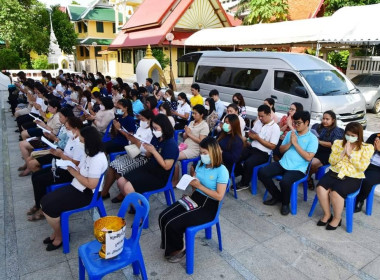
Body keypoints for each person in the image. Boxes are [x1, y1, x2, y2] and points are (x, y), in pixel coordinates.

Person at [158, 137, 229, 262]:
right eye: (201, 153)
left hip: (208, 206)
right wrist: (191, 190)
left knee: (173, 223)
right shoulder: (201, 164)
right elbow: (195, 182)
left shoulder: (221, 170)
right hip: (196, 197)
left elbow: (219, 196)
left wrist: (199, 186)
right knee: (163, 216)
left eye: (205, 153)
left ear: (214, 152)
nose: (202, 156)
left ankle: (180, 249)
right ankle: (172, 245)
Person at [40, 126, 108, 251]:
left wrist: (74, 172)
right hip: (77, 186)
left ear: (88, 140)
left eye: (81, 138)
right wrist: (69, 165)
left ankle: (60, 236)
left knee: (49, 207)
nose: (79, 140)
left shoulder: (97, 159)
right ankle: (57, 232)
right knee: (45, 201)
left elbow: (92, 184)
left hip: (87, 194)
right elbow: (81, 169)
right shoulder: (89, 152)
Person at [258, 111, 318, 215]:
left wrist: (295, 144)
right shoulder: (291, 133)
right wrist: (290, 143)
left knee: (285, 182)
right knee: (262, 172)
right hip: (283, 163)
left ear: (307, 122)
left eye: (299, 123)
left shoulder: (312, 139)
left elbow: (308, 158)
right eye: (295, 123)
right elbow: (281, 150)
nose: (296, 125)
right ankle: (278, 196)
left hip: (298, 169)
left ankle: (285, 204)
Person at [316, 122, 374, 229]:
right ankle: (327, 214)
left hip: (353, 176)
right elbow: (331, 161)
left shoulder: (367, 148)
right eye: (348, 135)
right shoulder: (338, 143)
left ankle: (337, 218)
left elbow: (362, 167)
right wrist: (342, 153)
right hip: (334, 172)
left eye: (353, 136)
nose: (350, 137)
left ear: (359, 136)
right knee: (320, 188)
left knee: (336, 193)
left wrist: (350, 154)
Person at [27, 117, 85, 221]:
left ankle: (42, 209)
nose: (67, 131)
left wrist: (61, 154)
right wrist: (57, 152)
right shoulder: (72, 138)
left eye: (68, 128)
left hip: (70, 171)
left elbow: (76, 163)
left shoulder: (80, 142)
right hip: (62, 164)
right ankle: (38, 204)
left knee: (40, 180)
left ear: (75, 128)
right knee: (36, 175)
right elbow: (66, 153)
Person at [117, 114, 179, 198]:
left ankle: (139, 209)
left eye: (156, 128)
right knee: (121, 181)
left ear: (164, 127)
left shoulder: (170, 144)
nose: (154, 131)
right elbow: (148, 155)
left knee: (128, 187)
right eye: (153, 128)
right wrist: (147, 148)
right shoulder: (156, 138)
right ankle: (134, 204)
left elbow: (166, 166)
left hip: (159, 175)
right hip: (149, 167)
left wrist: (154, 151)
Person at [101, 110, 154, 201]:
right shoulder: (140, 128)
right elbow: (132, 142)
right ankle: (105, 192)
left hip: (143, 158)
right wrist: (131, 138)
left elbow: (148, 152)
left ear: (149, 120)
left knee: (119, 170)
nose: (141, 121)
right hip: (134, 152)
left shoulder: (151, 132)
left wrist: (136, 141)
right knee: (112, 165)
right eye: (140, 119)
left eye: (143, 119)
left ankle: (123, 193)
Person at [236, 105, 281, 190]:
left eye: (262, 116)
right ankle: (241, 172)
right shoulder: (258, 123)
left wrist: (258, 138)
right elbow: (253, 133)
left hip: (263, 153)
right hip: (252, 147)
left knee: (248, 163)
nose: (260, 118)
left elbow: (272, 146)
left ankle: (245, 183)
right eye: (259, 116)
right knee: (237, 155)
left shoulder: (275, 128)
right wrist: (251, 135)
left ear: (269, 115)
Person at [172, 105, 209, 185]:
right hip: (185, 146)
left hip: (194, 149)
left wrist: (189, 133)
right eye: (193, 113)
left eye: (195, 114)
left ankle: (175, 181)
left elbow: (201, 141)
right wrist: (185, 133)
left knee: (173, 156)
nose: (193, 115)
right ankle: (173, 177)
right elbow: (185, 137)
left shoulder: (204, 126)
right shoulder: (192, 122)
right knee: (169, 154)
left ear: (201, 115)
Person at [308, 111, 344, 189]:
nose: (324, 121)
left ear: (333, 120)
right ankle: (306, 176)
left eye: (327, 119)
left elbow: (333, 144)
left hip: (327, 153)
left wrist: (319, 141)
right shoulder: (317, 127)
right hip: (314, 148)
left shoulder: (337, 131)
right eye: (323, 118)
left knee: (313, 163)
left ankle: (308, 178)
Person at [355, 132, 380, 212]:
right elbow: (363, 150)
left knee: (366, 181)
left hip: (377, 168)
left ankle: (359, 200)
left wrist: (379, 150)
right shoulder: (375, 136)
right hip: (366, 162)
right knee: (350, 173)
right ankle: (346, 196)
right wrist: (373, 148)